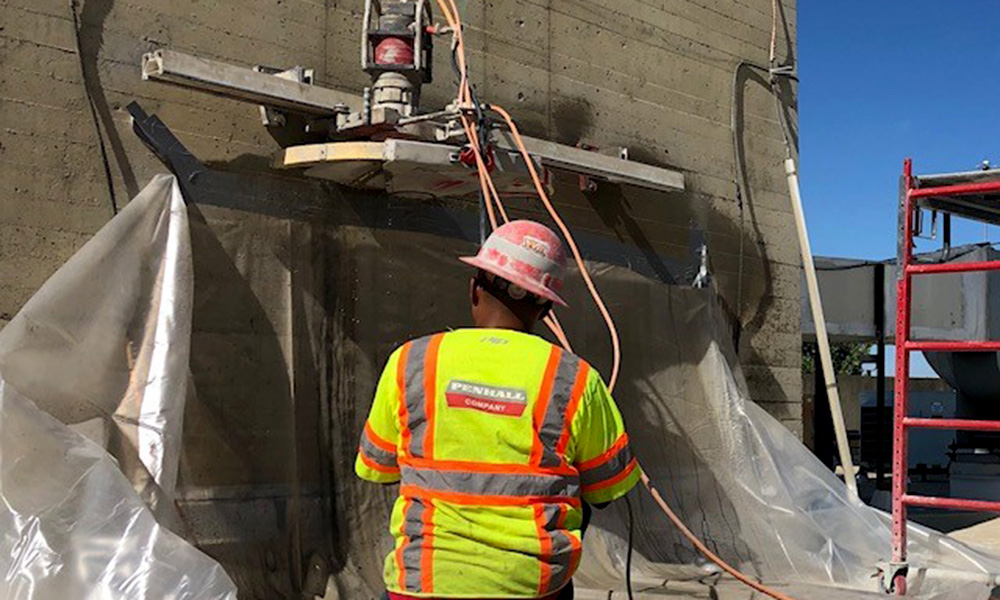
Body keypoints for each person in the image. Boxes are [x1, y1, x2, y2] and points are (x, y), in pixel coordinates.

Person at [356, 220, 640, 599]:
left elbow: (377, 469)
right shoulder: (575, 379)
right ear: (545, 307)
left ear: (474, 289)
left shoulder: (410, 362)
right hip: (532, 586)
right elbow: (606, 490)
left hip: (422, 583)